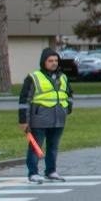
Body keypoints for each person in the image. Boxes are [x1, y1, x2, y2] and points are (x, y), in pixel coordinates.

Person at [17, 47, 74, 184]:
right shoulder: (33, 77)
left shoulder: (63, 77)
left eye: (56, 60)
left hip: (58, 118)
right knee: (35, 146)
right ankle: (33, 173)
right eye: (50, 60)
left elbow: (69, 94)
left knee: (53, 146)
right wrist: (23, 120)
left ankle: (51, 171)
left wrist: (68, 108)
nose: (54, 63)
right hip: (39, 118)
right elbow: (24, 100)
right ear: (44, 62)